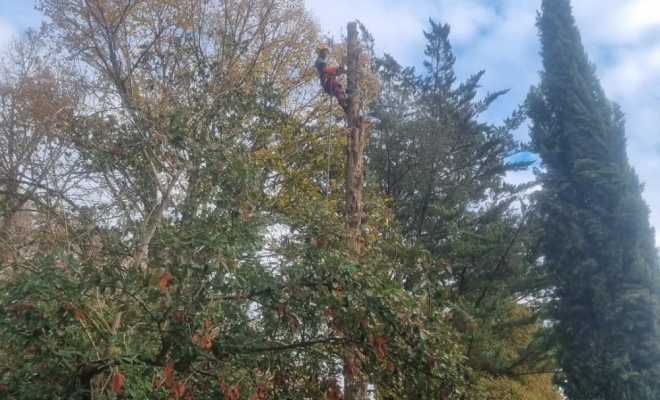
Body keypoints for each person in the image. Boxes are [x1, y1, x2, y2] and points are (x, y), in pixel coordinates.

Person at [315, 43, 349, 111]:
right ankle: (343, 102)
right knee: (336, 88)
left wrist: (340, 70)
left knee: (339, 89)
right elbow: (325, 69)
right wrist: (335, 69)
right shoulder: (319, 61)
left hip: (329, 81)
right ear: (320, 52)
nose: (326, 54)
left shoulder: (322, 61)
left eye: (326, 52)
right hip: (327, 81)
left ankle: (345, 105)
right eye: (324, 52)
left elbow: (333, 72)